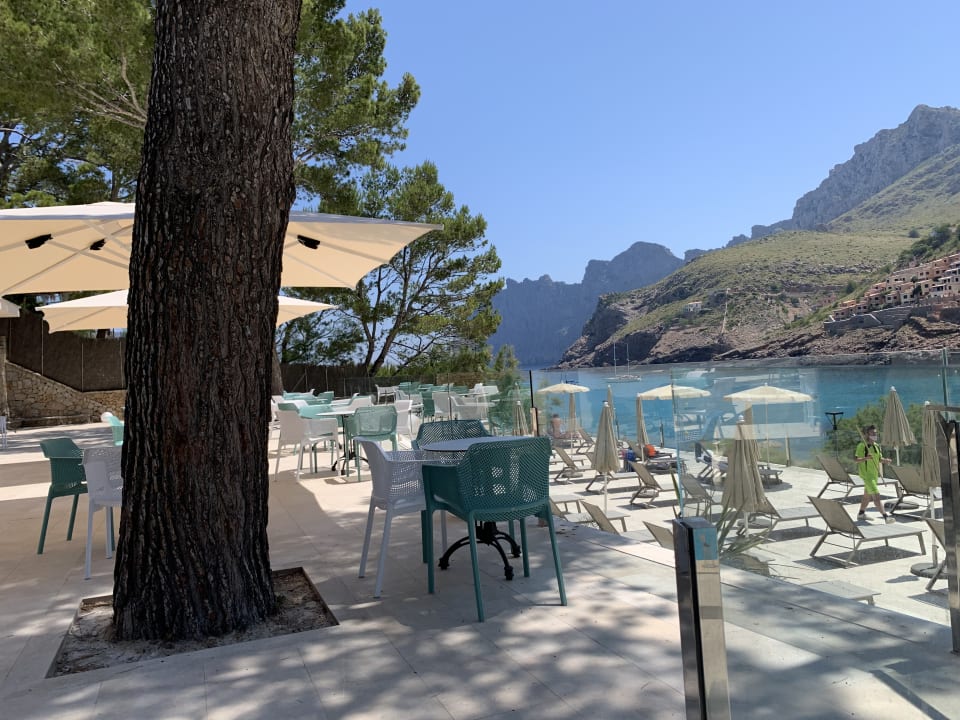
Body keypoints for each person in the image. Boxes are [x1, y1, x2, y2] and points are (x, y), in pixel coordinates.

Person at [855, 425, 894, 523]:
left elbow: (879, 459)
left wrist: (885, 460)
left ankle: (861, 514)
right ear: (867, 434)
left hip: (874, 475)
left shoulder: (877, 446)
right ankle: (886, 517)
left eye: (876, 433)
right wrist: (866, 458)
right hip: (867, 475)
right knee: (876, 496)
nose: (875, 434)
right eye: (872, 433)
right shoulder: (862, 446)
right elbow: (856, 459)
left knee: (866, 496)